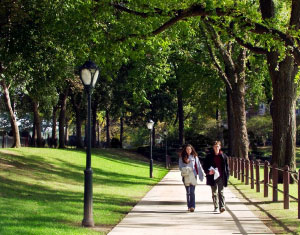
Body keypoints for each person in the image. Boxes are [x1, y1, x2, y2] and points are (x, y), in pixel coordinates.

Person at [203, 140, 229, 213]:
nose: (216, 148)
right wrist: (208, 172)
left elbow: (227, 168)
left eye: (217, 146)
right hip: (212, 176)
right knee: (214, 192)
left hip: (221, 176)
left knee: (221, 192)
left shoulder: (223, 156)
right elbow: (204, 166)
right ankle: (216, 206)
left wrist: (227, 177)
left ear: (220, 147)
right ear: (213, 147)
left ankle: (222, 206)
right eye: (215, 146)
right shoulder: (209, 156)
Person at [179, 144, 204, 212]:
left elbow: (198, 166)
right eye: (187, 149)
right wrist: (186, 164)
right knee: (188, 192)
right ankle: (189, 206)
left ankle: (192, 206)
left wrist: (201, 175)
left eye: (189, 149)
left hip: (193, 175)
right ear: (185, 150)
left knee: (192, 191)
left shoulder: (194, 157)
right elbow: (180, 167)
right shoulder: (182, 157)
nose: (188, 151)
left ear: (192, 150)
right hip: (186, 176)